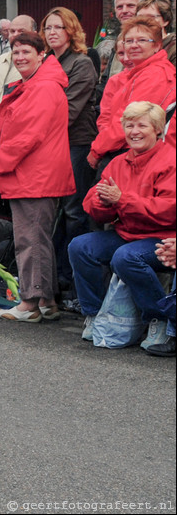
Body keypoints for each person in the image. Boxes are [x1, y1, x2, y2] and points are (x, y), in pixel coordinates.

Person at [0, 32, 75, 322]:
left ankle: (30, 302)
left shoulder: (42, 87)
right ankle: (45, 300)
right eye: (16, 52)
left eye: (26, 52)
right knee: (38, 238)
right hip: (36, 174)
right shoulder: (40, 84)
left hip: (34, 176)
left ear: (41, 55)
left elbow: (26, 136)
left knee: (30, 239)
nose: (20, 58)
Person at [68, 101, 175, 353]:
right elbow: (92, 206)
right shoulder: (118, 162)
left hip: (162, 237)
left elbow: (169, 210)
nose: (134, 131)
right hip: (127, 232)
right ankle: (95, 314)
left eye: (141, 125)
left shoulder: (170, 160)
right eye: (129, 125)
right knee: (80, 247)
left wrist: (121, 200)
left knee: (125, 257)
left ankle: (158, 317)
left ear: (158, 129)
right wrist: (103, 201)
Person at [40, 7, 99, 291]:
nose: (52, 32)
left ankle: (78, 280)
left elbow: (68, 110)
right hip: (50, 144)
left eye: (58, 27)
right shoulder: (45, 62)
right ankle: (59, 276)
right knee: (57, 212)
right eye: (48, 27)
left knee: (75, 212)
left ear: (71, 31)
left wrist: (36, 129)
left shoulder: (81, 64)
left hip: (75, 143)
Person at [87, 16, 176, 174]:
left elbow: (130, 121)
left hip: (135, 156)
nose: (134, 46)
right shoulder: (138, 73)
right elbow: (111, 116)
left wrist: (97, 150)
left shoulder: (155, 74)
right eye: (129, 41)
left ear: (157, 46)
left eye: (142, 40)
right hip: (124, 150)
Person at [0, 14, 35, 139]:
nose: (15, 35)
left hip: (16, 139)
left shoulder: (39, 63)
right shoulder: (0, 60)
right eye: (12, 31)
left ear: (34, 34)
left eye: (22, 31)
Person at [96, 0, 145, 86]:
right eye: (119, 7)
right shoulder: (119, 39)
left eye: (131, 6)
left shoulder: (151, 40)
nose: (124, 11)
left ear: (142, 7)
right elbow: (106, 80)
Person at [137, 0, 175, 69]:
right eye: (139, 17)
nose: (144, 21)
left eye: (150, 17)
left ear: (165, 21)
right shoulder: (133, 46)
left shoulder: (173, 48)